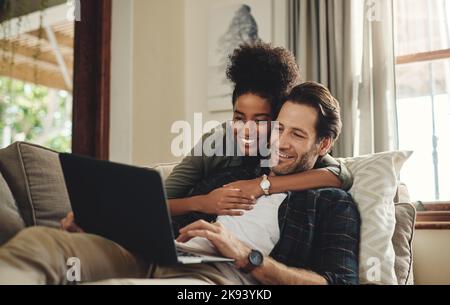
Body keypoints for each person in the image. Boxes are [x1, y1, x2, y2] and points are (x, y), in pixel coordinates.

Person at [0, 82, 360, 285]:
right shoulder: (233, 169)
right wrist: (101, 225)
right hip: (163, 254)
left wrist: (247, 256)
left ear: (324, 144)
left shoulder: (331, 202)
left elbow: (338, 283)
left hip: (220, 280)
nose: (280, 142)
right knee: (42, 242)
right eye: (279, 128)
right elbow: (159, 213)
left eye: (297, 134)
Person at [166, 43, 353, 220]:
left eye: (260, 121)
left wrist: (261, 185)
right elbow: (159, 202)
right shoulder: (217, 141)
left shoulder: (287, 147)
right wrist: (203, 203)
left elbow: (340, 176)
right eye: (239, 118)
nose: (247, 131)